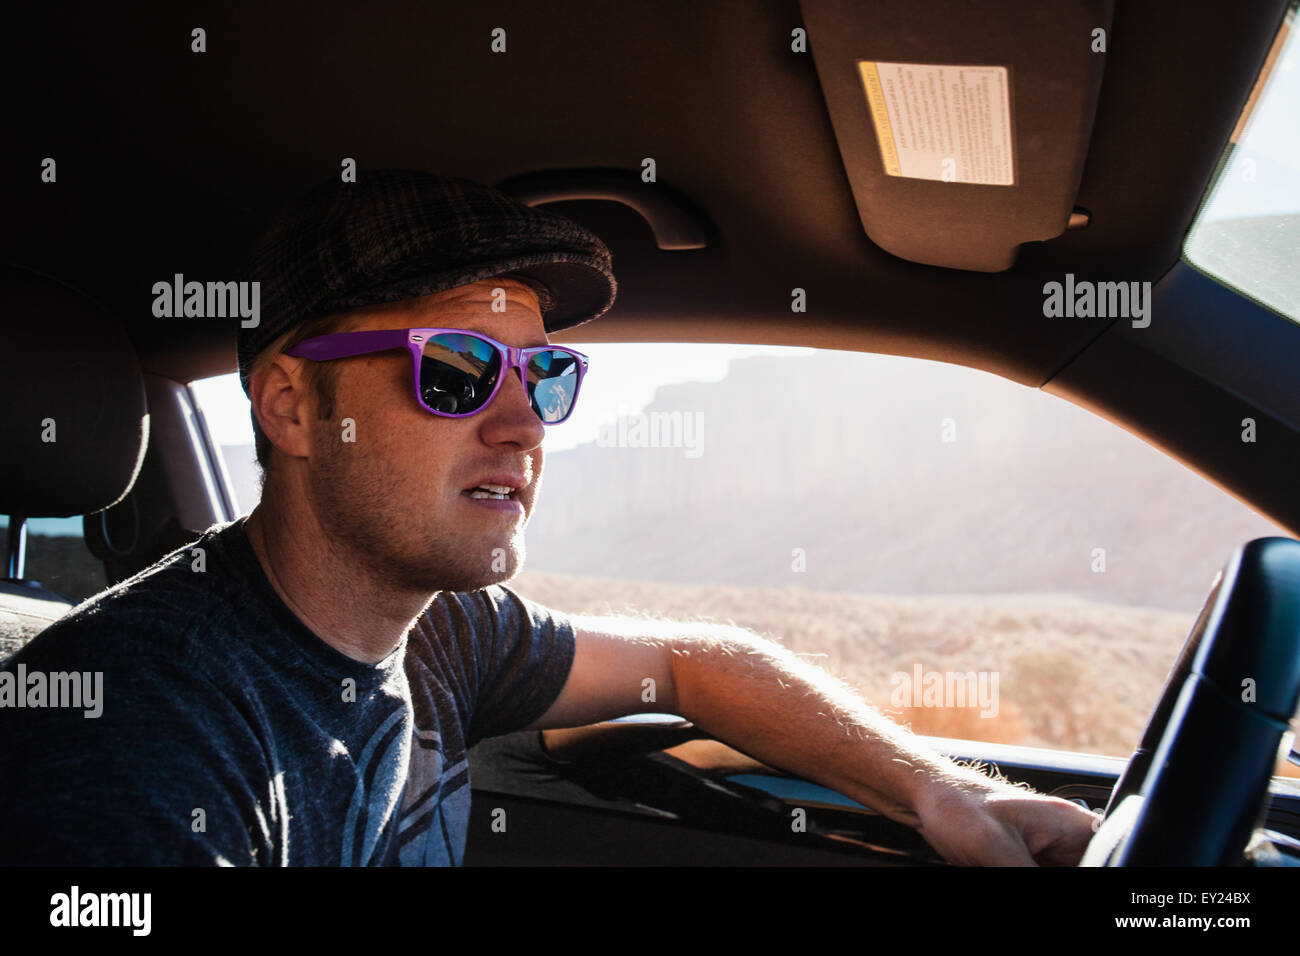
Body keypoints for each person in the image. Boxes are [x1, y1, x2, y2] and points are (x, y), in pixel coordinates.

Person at [0, 170, 1098, 866]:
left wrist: (939, 789)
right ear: (294, 405)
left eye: (546, 374)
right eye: (460, 369)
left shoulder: (444, 632)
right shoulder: (134, 740)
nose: (525, 422)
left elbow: (691, 662)